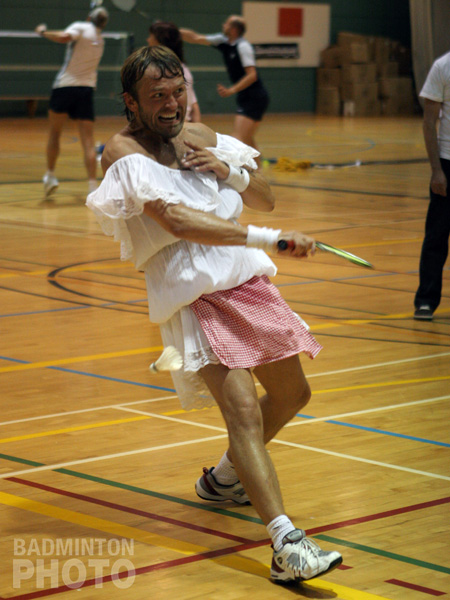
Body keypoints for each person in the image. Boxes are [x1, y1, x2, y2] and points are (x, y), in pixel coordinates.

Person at [86, 46, 342, 583]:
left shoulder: (201, 135)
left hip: (246, 281)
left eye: (177, 92)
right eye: (157, 96)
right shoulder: (123, 152)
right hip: (194, 293)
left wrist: (232, 172)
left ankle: (224, 478)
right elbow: (177, 221)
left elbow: (266, 196)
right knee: (243, 412)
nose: (171, 104)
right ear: (131, 102)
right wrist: (273, 239)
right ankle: (286, 544)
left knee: (293, 395)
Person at [35, 7, 109, 198]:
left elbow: (63, 37)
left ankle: (50, 176)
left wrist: (43, 32)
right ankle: (92, 186)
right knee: (88, 141)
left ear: (89, 17)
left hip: (65, 86)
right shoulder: (100, 40)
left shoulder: (81, 27)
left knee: (55, 133)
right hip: (86, 90)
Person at [180, 16, 269, 164]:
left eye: (227, 23)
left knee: (237, 138)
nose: (223, 25)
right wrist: (173, 31)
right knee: (247, 138)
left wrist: (231, 90)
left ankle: (235, 170)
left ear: (234, 29)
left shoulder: (243, 47)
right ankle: (258, 168)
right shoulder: (223, 41)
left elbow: (252, 75)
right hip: (246, 96)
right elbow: (195, 37)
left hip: (254, 97)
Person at [414, 50, 450, 321]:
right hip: (447, 164)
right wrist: (436, 170)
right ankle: (426, 300)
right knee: (436, 237)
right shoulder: (443, 66)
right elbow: (429, 123)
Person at [147, 21, 201, 123]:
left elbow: (193, 106)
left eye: (151, 36)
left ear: (160, 41)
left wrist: (197, 129)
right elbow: (194, 105)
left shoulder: (177, 72)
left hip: (176, 127)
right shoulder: (154, 69)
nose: (148, 40)